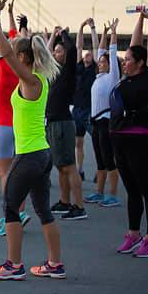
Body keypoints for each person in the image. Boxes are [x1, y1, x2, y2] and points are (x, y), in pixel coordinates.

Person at [0, 4, 65, 280]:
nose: (10, 59)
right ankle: (55, 264)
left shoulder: (30, 80)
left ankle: (13, 265)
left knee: (9, 206)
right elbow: (21, 47)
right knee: (42, 210)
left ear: (22, 58)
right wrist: (22, 30)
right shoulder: (39, 78)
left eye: (17, 56)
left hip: (30, 155)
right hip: (42, 154)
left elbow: (6, 53)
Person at [112, 6, 148, 258]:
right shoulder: (127, 79)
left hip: (141, 140)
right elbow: (134, 45)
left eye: (129, 59)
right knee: (132, 190)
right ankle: (133, 234)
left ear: (141, 63)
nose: (125, 61)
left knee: (147, 189)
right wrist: (139, 19)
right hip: (120, 139)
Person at [0, 0, 31, 236]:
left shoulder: (5, 67)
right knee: (17, 174)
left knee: (6, 174)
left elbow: (0, 40)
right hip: (19, 126)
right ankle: (20, 212)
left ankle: (10, 216)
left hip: (4, 127)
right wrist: (10, 14)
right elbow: (15, 39)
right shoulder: (21, 70)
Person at [47, 26, 86, 220]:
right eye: (55, 51)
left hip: (63, 123)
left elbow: (72, 50)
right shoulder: (54, 72)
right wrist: (53, 38)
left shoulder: (69, 69)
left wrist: (63, 34)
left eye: (59, 51)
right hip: (53, 123)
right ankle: (64, 202)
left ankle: (79, 206)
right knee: (60, 166)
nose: (56, 54)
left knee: (69, 166)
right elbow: (43, 56)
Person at [84, 18, 121, 208]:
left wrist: (113, 33)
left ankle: (112, 195)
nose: (100, 63)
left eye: (103, 62)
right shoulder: (98, 77)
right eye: (99, 62)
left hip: (107, 123)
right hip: (96, 123)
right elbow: (101, 50)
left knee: (109, 160)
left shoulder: (112, 77)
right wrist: (102, 32)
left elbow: (110, 53)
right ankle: (99, 192)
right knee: (100, 159)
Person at [73, 19, 99, 181]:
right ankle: (79, 170)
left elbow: (96, 46)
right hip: (77, 109)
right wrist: (81, 27)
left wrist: (93, 28)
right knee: (78, 143)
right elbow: (79, 47)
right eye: (86, 54)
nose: (87, 54)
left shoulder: (95, 69)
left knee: (97, 142)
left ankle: (100, 169)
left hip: (90, 110)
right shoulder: (79, 67)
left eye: (90, 54)